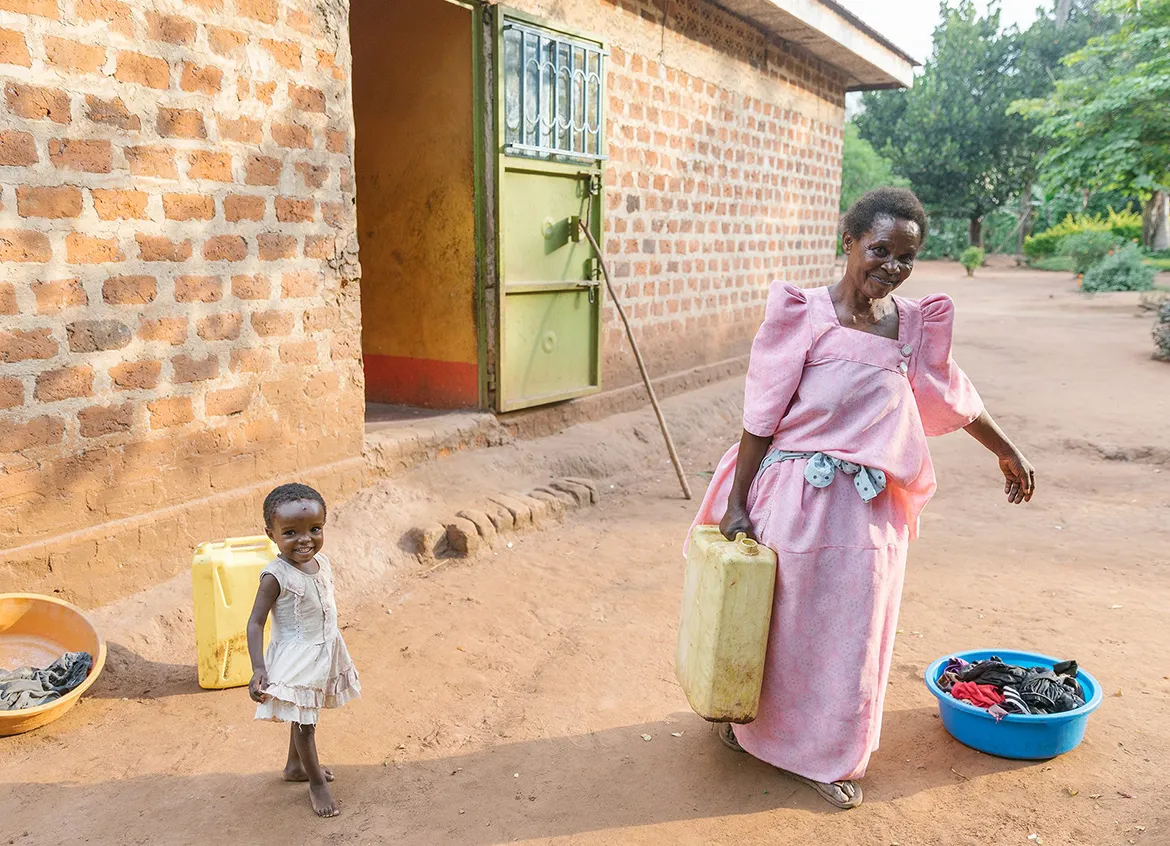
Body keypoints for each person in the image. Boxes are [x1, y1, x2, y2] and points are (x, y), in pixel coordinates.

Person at [687, 187, 1035, 809]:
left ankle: (829, 756)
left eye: (906, 257)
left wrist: (1005, 449)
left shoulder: (911, 328)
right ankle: (748, 726)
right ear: (849, 242)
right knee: (782, 628)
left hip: (871, 509)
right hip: (793, 497)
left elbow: (950, 396)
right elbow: (760, 416)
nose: (892, 268)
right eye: (880, 250)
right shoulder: (804, 314)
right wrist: (739, 503)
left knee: (854, 635)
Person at [247, 483, 361, 818]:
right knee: (305, 723)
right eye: (291, 532)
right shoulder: (275, 576)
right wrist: (258, 668)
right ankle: (316, 784)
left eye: (314, 529)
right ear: (271, 533)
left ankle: (294, 766)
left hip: (323, 651)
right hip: (296, 657)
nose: (305, 540)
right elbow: (255, 623)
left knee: (304, 715)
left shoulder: (321, 562)